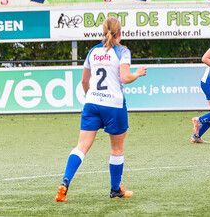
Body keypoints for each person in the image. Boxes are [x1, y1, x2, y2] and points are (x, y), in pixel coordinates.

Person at [55, 17, 147, 202]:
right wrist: (137, 73)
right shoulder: (122, 51)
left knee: (81, 147)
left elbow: (83, 81)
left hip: (92, 104)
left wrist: (93, 97)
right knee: (117, 149)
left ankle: (65, 181)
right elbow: (124, 78)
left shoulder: (93, 51)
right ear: (120, 33)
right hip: (113, 106)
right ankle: (115, 190)